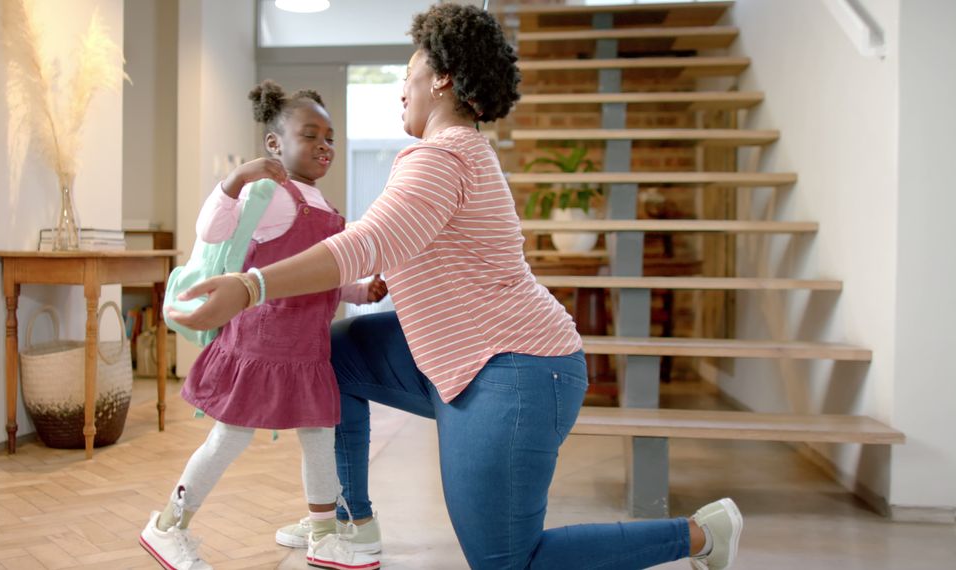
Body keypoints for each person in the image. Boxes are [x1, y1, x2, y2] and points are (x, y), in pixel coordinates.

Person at [169, 4, 743, 569]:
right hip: (456, 353)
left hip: (516, 368)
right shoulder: (453, 155)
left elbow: (367, 242)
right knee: (331, 354)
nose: (402, 88)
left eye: (410, 72)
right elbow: (400, 245)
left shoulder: (441, 158)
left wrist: (250, 286)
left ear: (441, 77)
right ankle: (352, 522)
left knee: (506, 562)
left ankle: (701, 534)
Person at [140, 80, 387, 570]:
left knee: (320, 438)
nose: (324, 146)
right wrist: (235, 180)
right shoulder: (270, 194)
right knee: (228, 439)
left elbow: (316, 279)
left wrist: (359, 292)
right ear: (275, 143)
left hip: (306, 352)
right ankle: (167, 526)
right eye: (310, 135)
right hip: (259, 347)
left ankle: (323, 535)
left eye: (330, 138)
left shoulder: (326, 209)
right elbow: (211, 230)